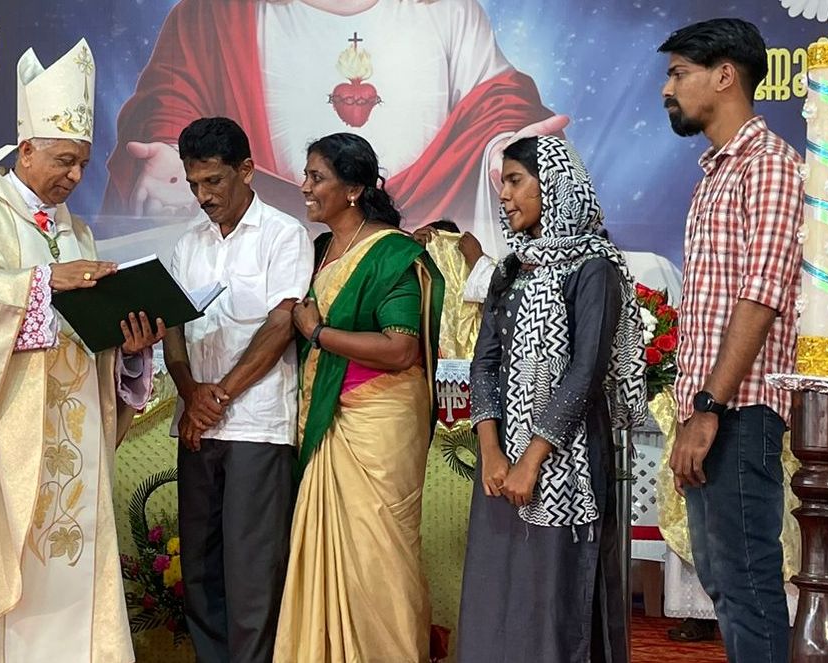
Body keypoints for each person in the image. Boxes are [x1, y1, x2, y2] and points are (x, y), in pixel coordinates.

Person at [0, 39, 163, 663]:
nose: (75, 176)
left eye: (83, 163)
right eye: (64, 161)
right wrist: (44, 283)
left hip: (75, 437)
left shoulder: (78, 231)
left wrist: (127, 347)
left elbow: (87, 333)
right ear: (25, 151)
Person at [102, 0, 568, 259]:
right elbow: (172, 96)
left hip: (420, 240)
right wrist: (169, 147)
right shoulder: (217, 13)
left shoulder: (448, 10)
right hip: (271, 243)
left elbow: (495, 101)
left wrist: (505, 148)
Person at [459, 135, 647, 662]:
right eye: (502, 183)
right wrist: (493, 452)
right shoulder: (510, 269)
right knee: (497, 592)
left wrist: (531, 461)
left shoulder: (594, 268)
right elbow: (484, 364)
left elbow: (585, 373)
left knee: (554, 597)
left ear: (556, 185)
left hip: (566, 461)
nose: (504, 195)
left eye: (515, 181)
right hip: (502, 462)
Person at [660, 18, 802, 662]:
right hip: (711, 408)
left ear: (724, 75)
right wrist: (696, 409)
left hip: (737, 411)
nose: (667, 89)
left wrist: (710, 408)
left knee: (745, 583)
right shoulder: (716, 173)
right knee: (723, 580)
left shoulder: (768, 165)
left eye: (678, 73)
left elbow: (762, 296)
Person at [275, 132, 443, 662]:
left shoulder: (392, 253)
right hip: (329, 420)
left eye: (316, 177)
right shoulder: (321, 250)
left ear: (352, 190)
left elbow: (401, 349)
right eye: (306, 175)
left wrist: (318, 332)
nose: (305, 187)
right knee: (330, 555)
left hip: (379, 423)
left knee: (378, 555)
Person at [163, 117, 310, 663]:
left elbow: (281, 325)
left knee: (251, 576)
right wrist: (189, 393)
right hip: (197, 427)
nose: (203, 196)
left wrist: (216, 397)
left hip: (257, 427)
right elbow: (173, 329)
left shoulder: (284, 234)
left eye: (214, 182)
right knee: (201, 574)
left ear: (246, 170)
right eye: (193, 184)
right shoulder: (188, 245)